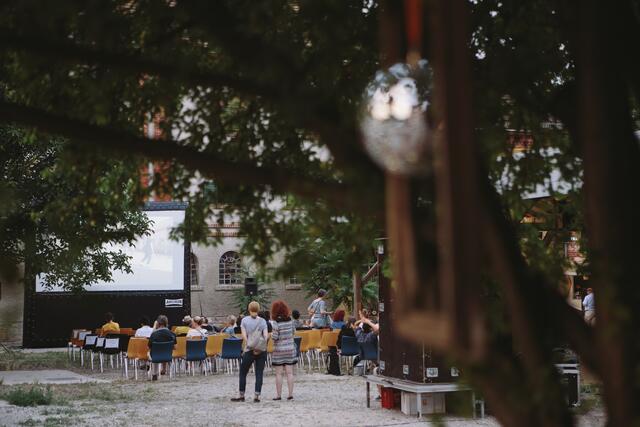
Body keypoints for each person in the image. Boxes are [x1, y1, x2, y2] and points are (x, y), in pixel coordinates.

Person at [231, 301, 269, 403]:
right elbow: (266, 336)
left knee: (243, 372)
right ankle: (257, 396)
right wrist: (260, 347)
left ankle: (241, 395)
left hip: (249, 349)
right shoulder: (263, 321)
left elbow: (244, 335)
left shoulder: (244, 320)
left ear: (249, 309)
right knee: (259, 373)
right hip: (261, 350)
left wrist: (249, 345)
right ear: (259, 309)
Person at [270, 300, 297, 400]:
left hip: (279, 350)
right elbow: (294, 332)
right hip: (290, 348)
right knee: (290, 373)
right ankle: (290, 394)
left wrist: (271, 335)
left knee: (278, 373)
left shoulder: (275, 322)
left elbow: (275, 337)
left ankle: (278, 395)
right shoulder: (291, 320)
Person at [148, 315, 177, 381]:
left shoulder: (154, 334)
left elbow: (149, 347)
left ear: (158, 323)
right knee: (163, 351)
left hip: (155, 356)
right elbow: (175, 347)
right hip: (167, 356)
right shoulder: (172, 334)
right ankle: (164, 369)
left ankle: (154, 373)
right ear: (166, 323)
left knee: (152, 352)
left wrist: (154, 328)